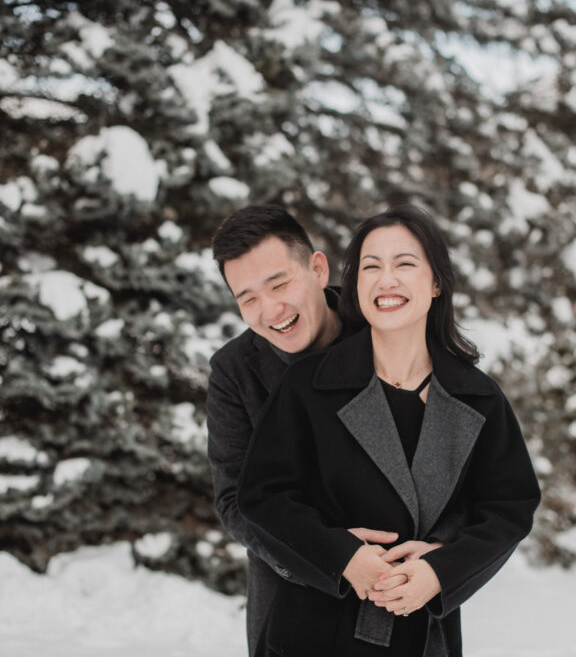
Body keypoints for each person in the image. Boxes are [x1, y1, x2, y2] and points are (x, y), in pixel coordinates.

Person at [237, 204, 541, 657]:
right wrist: (344, 558)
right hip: (313, 633)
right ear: (357, 285)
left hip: (419, 634)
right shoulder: (308, 385)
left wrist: (440, 571)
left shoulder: (479, 398)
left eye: (404, 264)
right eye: (371, 267)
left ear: (436, 282)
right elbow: (262, 496)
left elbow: (509, 508)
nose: (386, 280)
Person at [207, 205, 401, 655]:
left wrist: (434, 562)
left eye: (279, 284)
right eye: (248, 298)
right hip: (290, 604)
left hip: (401, 593)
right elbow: (234, 500)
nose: (270, 310)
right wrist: (330, 554)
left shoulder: (389, 330)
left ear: (317, 268)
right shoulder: (234, 371)